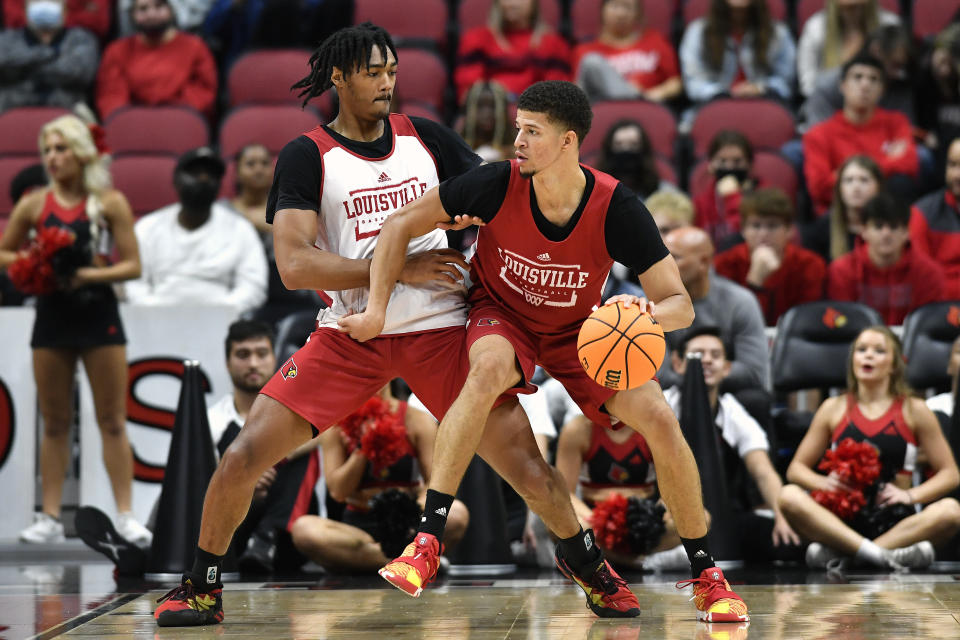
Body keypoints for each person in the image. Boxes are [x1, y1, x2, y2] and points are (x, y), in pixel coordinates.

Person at [153, 25, 619, 627]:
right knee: (243, 456)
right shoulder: (307, 155)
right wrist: (397, 265)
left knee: (530, 469)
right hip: (353, 334)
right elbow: (294, 264)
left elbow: (502, 193)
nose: (387, 81)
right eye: (373, 71)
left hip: (443, 330)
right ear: (339, 78)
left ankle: (592, 570)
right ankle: (201, 585)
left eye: (392, 70)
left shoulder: (424, 136)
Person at [345, 80, 750, 623]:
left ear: (568, 142)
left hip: (582, 332)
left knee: (659, 416)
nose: (518, 141)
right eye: (517, 129)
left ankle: (707, 573)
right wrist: (375, 309)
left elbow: (680, 303)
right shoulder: (494, 183)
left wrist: (640, 316)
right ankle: (427, 540)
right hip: (502, 314)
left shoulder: (616, 207)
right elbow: (398, 225)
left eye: (532, 132)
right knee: (485, 372)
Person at [0, 114, 149, 545]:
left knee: (111, 420)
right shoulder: (33, 204)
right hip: (52, 314)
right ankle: (48, 517)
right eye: (47, 149)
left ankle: (125, 515)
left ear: (82, 152)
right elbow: (5, 255)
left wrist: (88, 276)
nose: (52, 157)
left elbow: (133, 265)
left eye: (61, 148)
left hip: (98, 312)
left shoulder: (110, 202)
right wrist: (35, 262)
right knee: (54, 421)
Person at [76, 319, 319, 575]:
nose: (253, 364)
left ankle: (265, 537)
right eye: (243, 355)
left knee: (302, 446)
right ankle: (151, 545)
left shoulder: (294, 410)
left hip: (287, 531)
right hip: (236, 534)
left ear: (275, 358)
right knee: (205, 468)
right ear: (227, 363)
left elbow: (327, 431)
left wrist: (258, 463)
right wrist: (244, 479)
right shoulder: (213, 422)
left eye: (261, 354)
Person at [778, 326, 960, 570]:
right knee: (788, 496)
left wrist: (909, 496)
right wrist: (824, 483)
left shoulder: (914, 409)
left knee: (951, 511)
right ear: (853, 359)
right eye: (862, 350)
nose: (868, 355)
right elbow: (796, 470)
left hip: (896, 521)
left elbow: (950, 473)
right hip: (841, 521)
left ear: (895, 364)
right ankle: (884, 556)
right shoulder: (833, 407)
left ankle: (850, 558)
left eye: (879, 351)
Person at [290, 383, 469, 572]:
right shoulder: (338, 425)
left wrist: (412, 510)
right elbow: (338, 492)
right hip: (358, 528)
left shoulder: (417, 420)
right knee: (304, 530)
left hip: (408, 523)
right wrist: (364, 448)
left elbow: (436, 485)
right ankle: (412, 561)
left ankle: (366, 561)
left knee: (456, 513)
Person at [666, 328, 801, 562]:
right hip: (666, 514)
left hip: (723, 518)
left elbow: (762, 471)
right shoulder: (660, 406)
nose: (707, 360)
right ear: (677, 363)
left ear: (727, 368)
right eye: (697, 354)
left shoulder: (734, 412)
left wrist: (781, 516)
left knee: (789, 544)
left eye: (715, 355)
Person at [125, 146, 268, 314]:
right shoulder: (147, 228)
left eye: (211, 174)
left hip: (222, 321)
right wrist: (155, 312)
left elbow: (253, 285)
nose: (203, 178)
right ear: (176, 180)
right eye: (194, 173)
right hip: (156, 318)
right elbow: (134, 284)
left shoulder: (240, 229)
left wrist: (223, 312)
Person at [803, 52, 918, 214]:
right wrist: (885, 164)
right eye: (857, 77)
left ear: (882, 90)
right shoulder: (819, 133)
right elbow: (819, 187)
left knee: (901, 184)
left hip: (883, 215)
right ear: (843, 86)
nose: (865, 85)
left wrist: (844, 177)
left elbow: (909, 164)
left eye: (873, 79)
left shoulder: (896, 122)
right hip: (837, 216)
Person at [660, 226, 769, 393]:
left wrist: (698, 374)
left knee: (755, 400)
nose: (663, 264)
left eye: (674, 257)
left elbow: (753, 372)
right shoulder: (657, 305)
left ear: (703, 262)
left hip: (730, 395)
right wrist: (709, 372)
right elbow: (661, 376)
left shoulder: (740, 302)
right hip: (676, 395)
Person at [828, 192, 945, 325]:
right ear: (864, 231)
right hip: (859, 343)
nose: (886, 234)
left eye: (894, 227)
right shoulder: (842, 271)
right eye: (878, 226)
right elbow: (842, 323)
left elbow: (928, 325)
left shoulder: (929, 273)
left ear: (907, 232)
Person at [714, 187, 826, 326]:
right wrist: (755, 281)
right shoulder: (724, 264)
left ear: (789, 230)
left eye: (772, 226)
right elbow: (728, 321)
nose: (763, 234)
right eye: (756, 226)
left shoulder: (810, 264)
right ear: (743, 230)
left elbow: (807, 318)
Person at [96, 0, 217, 119]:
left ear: (172, 9)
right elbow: (111, 97)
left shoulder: (195, 47)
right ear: (132, 14)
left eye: (159, 6)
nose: (151, 14)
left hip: (181, 124)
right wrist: (131, 122)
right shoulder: (117, 51)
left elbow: (202, 93)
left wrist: (170, 119)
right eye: (143, 9)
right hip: (133, 126)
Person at [678, 0, 796, 108]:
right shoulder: (698, 32)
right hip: (713, 106)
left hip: (766, 104)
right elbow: (694, 83)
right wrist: (724, 93)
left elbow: (786, 81)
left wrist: (760, 89)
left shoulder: (778, 33)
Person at [454, 0, 570, 104]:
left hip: (537, 115)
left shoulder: (553, 44)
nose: (512, 3)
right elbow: (469, 94)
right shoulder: (476, 39)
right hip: (489, 112)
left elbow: (557, 98)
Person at [803, 24, 916, 128]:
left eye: (902, 67)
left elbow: (904, 136)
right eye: (895, 65)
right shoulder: (827, 86)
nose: (898, 74)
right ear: (876, 51)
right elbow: (818, 135)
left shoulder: (900, 86)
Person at [572, 0, 681, 104]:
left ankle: (633, 98)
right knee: (592, 61)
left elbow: (676, 83)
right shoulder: (584, 50)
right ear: (602, 11)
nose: (621, 14)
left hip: (645, 106)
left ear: (638, 14)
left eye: (627, 7)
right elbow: (578, 89)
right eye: (615, 6)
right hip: (603, 110)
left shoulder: (655, 41)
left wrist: (653, 94)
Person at [0, 0, 99, 113]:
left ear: (65, 10)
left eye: (52, 2)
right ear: (24, 10)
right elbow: (4, 64)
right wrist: (50, 55)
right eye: (38, 3)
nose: (44, 8)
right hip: (12, 117)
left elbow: (77, 73)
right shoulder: (7, 40)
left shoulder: (82, 39)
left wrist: (26, 67)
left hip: (68, 119)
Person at [796, 0, 900, 98]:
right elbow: (808, 85)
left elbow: (900, 74)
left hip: (882, 100)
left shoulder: (890, 25)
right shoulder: (816, 28)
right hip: (829, 103)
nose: (853, 8)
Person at [806, 154, 883, 261]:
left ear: (878, 187)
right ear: (839, 188)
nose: (856, 187)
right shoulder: (821, 229)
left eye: (864, 180)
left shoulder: (891, 226)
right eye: (848, 180)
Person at [692, 130, 760, 251]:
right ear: (711, 164)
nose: (729, 167)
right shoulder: (700, 202)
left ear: (750, 164)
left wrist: (732, 197)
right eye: (722, 161)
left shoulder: (763, 195)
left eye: (737, 161)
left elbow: (740, 235)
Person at [911, 137, 960, 299]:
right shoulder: (923, 213)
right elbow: (921, 276)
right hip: (940, 311)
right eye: (952, 165)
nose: (957, 175)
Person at [595, 119, 669, 200]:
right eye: (618, 145)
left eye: (633, 145)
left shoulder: (664, 194)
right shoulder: (592, 195)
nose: (626, 150)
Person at [457, 81, 516, 163]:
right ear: (468, 110)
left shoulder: (516, 150)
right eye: (480, 106)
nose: (487, 113)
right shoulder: (458, 147)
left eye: (493, 106)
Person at [2, 0, 109, 39]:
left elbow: (99, 22)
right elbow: (14, 20)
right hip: (25, 40)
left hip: (75, 43)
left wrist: (52, 18)